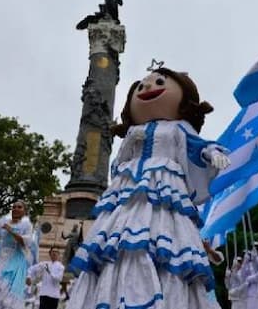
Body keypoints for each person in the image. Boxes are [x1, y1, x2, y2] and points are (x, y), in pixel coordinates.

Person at [67, 67, 230, 309]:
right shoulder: (133, 131)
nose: (148, 87)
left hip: (164, 186)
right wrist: (127, 154)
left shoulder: (178, 127)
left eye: (158, 82)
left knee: (164, 237)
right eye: (142, 85)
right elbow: (119, 162)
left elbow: (197, 146)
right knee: (118, 241)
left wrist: (213, 152)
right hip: (129, 189)